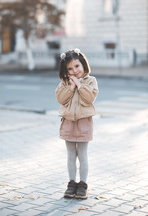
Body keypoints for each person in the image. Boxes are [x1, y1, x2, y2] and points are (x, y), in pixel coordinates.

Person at [55, 48, 99, 199]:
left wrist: (80, 85)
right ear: (65, 71)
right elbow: (61, 99)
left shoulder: (91, 81)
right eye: (70, 68)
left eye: (77, 66)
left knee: (83, 155)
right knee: (70, 155)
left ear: (83, 64)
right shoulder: (65, 83)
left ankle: (83, 184)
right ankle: (72, 183)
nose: (74, 71)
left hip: (83, 123)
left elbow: (89, 98)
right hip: (68, 122)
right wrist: (71, 86)